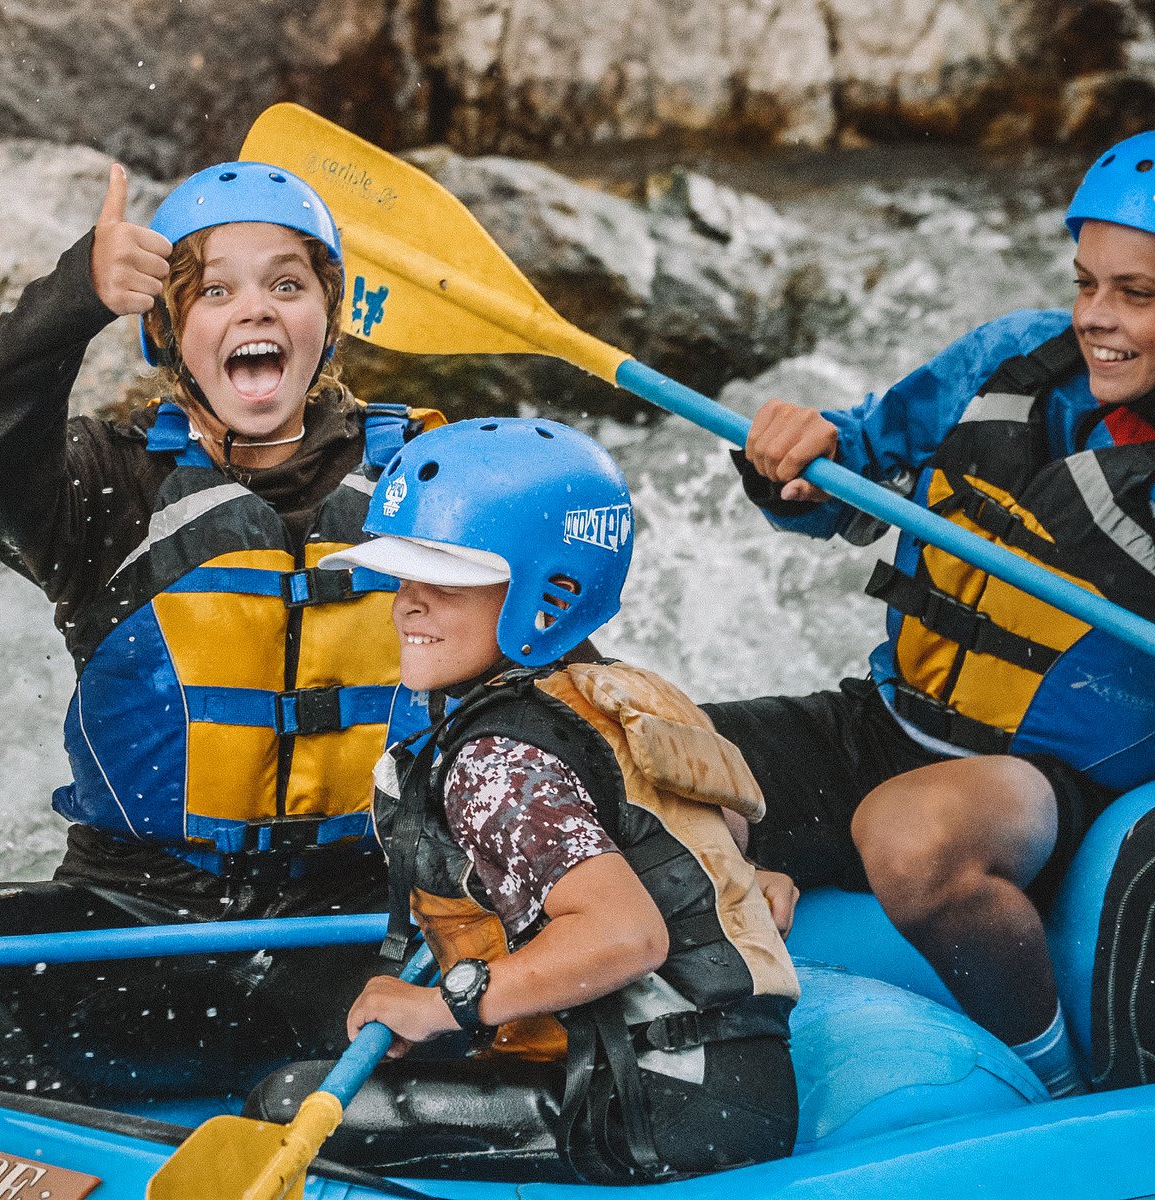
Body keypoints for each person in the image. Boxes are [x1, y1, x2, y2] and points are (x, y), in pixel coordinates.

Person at [0, 160, 442, 1099]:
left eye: (288, 285)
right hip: (144, 924)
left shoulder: (427, 487)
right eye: (214, 291)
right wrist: (73, 297)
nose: (255, 311)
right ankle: (59, 1141)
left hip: (348, 937)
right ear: (166, 328)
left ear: (330, 318)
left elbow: (555, 651)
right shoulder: (103, 488)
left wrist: (766, 487)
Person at [703, 130, 1155, 1099]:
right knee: (625, 751)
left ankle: (1057, 1087)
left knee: (914, 833)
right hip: (887, 721)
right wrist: (790, 457)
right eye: (1086, 283)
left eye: (1137, 294)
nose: (1096, 318)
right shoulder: (1006, 360)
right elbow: (844, 492)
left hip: (1048, 789)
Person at [249, 418, 800, 1183]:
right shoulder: (617, 693)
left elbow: (627, 937)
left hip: (654, 1103)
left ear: (550, 588)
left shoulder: (494, 759)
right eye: (403, 577)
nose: (407, 604)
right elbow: (721, 844)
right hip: (737, 1078)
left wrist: (447, 1006)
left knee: (284, 1102)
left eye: (442, 578)